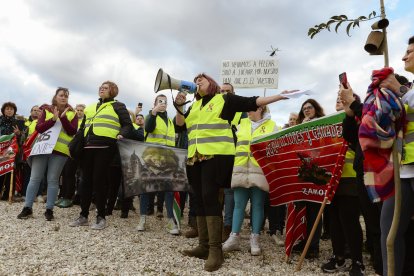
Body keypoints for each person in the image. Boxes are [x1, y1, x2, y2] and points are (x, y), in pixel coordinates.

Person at [176, 73, 294, 271]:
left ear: (211, 84)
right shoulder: (195, 105)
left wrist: (279, 96)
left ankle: (215, 251)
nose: (197, 83)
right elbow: (180, 126)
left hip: (216, 157)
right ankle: (204, 246)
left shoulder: (224, 99)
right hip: (194, 158)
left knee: (210, 198)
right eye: (196, 81)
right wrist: (179, 106)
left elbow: (253, 101)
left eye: (201, 80)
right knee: (199, 200)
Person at [362, 37, 414, 276]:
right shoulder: (407, 91)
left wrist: (399, 89)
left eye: (410, 52)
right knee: (389, 234)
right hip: (402, 171)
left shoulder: (406, 91)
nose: (404, 57)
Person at [69, 81, 132, 230]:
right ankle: (83, 216)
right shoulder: (90, 108)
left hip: (105, 147)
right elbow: (83, 127)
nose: (102, 89)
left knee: (99, 181)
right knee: (85, 182)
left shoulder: (118, 106)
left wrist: (122, 134)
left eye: (106, 88)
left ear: (113, 91)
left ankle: (101, 217)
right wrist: (75, 143)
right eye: (101, 87)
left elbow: (127, 124)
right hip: (87, 147)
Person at [222, 105, 277, 256]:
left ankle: (255, 239)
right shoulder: (242, 124)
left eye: (251, 108)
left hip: (259, 171)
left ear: (260, 109)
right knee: (238, 205)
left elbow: (275, 150)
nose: (247, 111)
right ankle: (234, 238)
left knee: (258, 205)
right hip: (241, 169)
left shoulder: (272, 126)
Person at [17, 88, 78, 221]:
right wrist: (53, 120)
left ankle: (49, 210)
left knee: (52, 180)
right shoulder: (46, 110)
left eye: (66, 96)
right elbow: (39, 128)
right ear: (55, 97)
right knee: (35, 178)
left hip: (60, 151)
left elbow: (73, 131)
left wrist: (63, 119)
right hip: (42, 149)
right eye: (61, 95)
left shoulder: (72, 113)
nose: (64, 98)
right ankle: (27, 208)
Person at [321, 95, 364, 274]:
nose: (339, 100)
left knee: (349, 221)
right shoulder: (326, 124)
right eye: (337, 99)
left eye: (344, 99)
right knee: (334, 222)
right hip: (331, 180)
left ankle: (357, 261)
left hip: (349, 178)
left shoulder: (359, 120)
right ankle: (338, 257)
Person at [292, 98, 325, 259]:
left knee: (314, 211)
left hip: (317, 174)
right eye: (304, 108)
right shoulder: (299, 126)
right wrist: (300, 127)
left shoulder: (323, 124)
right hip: (302, 174)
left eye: (310, 107)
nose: (306, 110)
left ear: (316, 109)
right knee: (302, 209)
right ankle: (303, 241)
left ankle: (313, 246)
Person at [144, 94, 179, 235]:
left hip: (167, 159)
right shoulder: (150, 116)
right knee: (147, 188)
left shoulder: (170, 121)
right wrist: (153, 112)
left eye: (164, 102)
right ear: (155, 103)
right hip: (152, 158)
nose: (162, 104)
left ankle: (171, 220)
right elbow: (149, 128)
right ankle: (143, 218)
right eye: (160, 101)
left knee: (169, 190)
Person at [57, 104, 86, 208]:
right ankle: (63, 196)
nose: (78, 112)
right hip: (67, 149)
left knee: (70, 174)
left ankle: (69, 197)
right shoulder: (73, 120)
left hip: (77, 151)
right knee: (65, 173)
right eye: (77, 110)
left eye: (81, 110)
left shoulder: (84, 122)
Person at [0, 102, 24, 200]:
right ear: (3, 110)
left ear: (14, 111)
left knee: (10, 170)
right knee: (0, 170)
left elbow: (23, 138)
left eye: (11, 109)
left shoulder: (19, 123)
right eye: (7, 109)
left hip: (12, 149)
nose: (9, 110)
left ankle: (8, 194)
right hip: (0, 149)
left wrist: (19, 134)